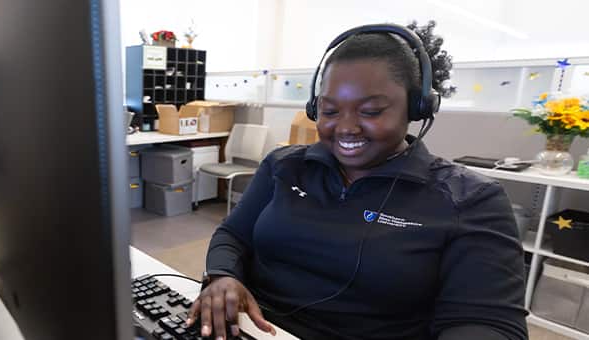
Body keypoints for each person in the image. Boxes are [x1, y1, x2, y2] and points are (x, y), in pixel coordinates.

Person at [186, 22, 528, 340]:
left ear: (416, 107)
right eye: (330, 111)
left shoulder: (472, 200)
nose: (345, 128)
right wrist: (222, 275)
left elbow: (490, 325)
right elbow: (233, 234)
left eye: (371, 111)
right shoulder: (284, 166)